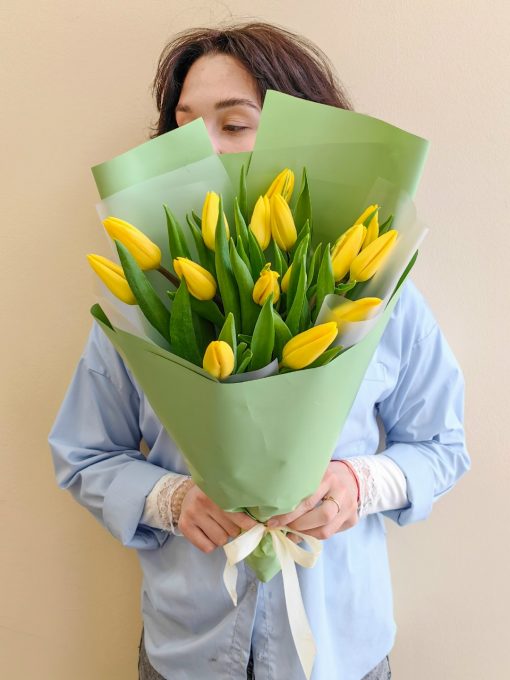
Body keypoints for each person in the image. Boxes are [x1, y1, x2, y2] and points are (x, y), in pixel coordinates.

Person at [49, 22, 470, 680]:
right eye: (184, 127)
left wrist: (356, 486)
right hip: (186, 650)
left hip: (340, 651)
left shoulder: (378, 292)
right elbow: (82, 453)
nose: (204, 149)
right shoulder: (145, 300)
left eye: (235, 124)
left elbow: (442, 446)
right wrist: (171, 500)